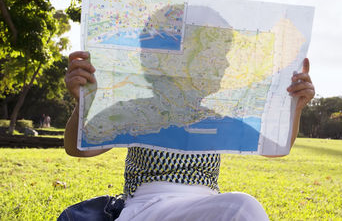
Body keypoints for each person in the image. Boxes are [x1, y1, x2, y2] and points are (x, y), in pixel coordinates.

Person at [64, 49, 314, 220]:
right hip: (146, 208)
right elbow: (78, 148)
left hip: (206, 207)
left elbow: (276, 147)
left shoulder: (217, 117)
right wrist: (83, 103)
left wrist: (297, 107)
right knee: (243, 207)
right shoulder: (137, 109)